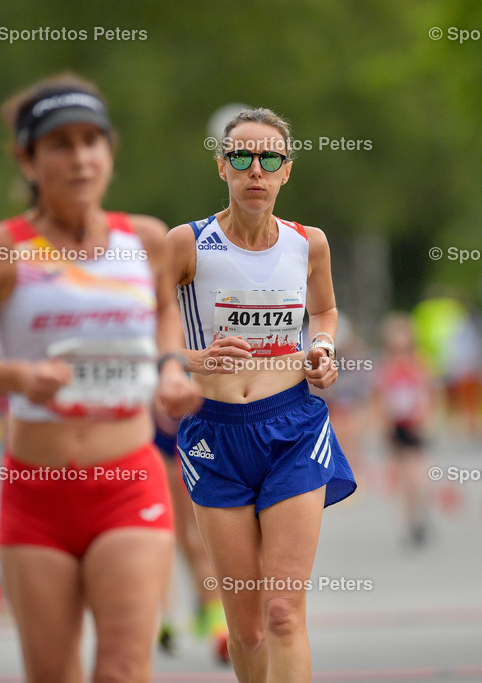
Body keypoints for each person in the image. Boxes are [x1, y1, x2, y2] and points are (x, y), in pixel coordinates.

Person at [0, 73, 200, 683]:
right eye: (60, 144)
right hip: (37, 493)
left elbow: (166, 317)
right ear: (27, 158)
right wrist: (18, 376)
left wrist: (169, 369)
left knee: (124, 671)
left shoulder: (149, 240)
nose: (80, 157)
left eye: (92, 141)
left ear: (110, 150)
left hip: (128, 482)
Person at [167, 108, 356, 682]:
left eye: (269, 158)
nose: (256, 169)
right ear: (222, 166)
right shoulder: (187, 244)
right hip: (215, 434)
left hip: (293, 427)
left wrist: (322, 347)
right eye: (243, 158)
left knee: (281, 611)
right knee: (246, 626)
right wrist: (189, 360)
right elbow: (141, 325)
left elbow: (324, 311)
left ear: (286, 171)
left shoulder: (308, 244)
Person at [151, 411, 228, 662]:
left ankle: (214, 622)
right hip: (154, 439)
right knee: (168, 536)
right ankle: (170, 617)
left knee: (192, 539)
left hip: (189, 437)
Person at [372, 313, 436, 547]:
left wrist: (426, 419)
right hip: (395, 426)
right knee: (401, 476)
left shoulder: (419, 364)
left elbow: (428, 393)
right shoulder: (384, 366)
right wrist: (382, 424)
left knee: (417, 475)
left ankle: (418, 511)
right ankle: (409, 521)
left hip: (414, 425)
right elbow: (378, 398)